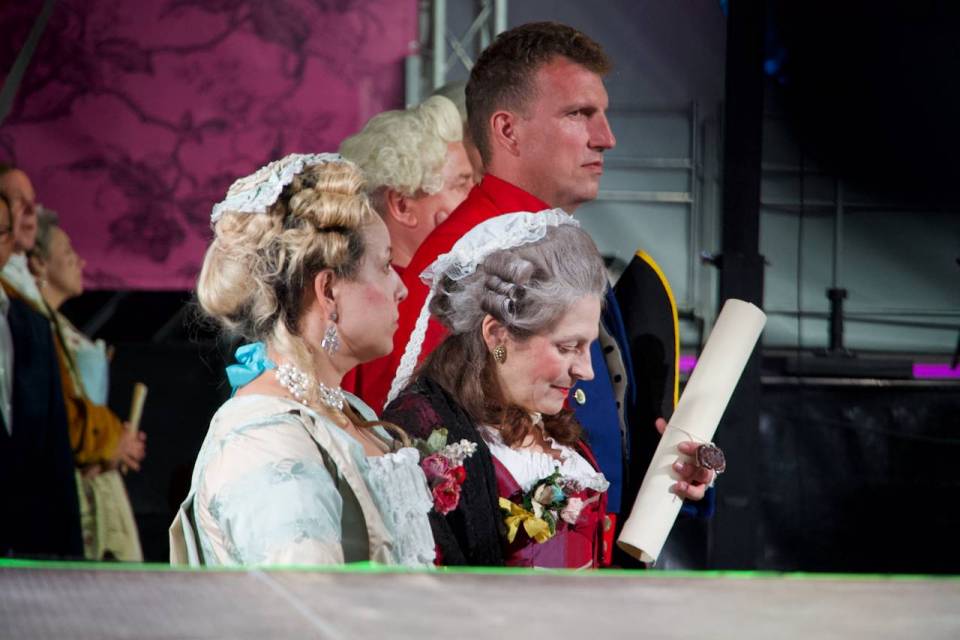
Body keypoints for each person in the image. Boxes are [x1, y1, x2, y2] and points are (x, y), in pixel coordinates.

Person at [348, 22, 716, 564]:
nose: (606, 137)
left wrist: (673, 480)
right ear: (508, 130)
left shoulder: (565, 249)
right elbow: (399, 454)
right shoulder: (457, 268)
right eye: (579, 114)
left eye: (602, 114)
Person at [169, 153, 435, 567]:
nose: (400, 288)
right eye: (385, 265)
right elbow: (302, 597)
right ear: (327, 291)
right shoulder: (264, 439)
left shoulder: (348, 410)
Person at [385, 211, 612, 568]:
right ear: (497, 336)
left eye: (589, 347)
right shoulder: (426, 433)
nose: (587, 370)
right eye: (568, 347)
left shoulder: (548, 420)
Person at [28, 208, 145, 561]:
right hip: (75, 487)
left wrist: (116, 439)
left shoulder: (58, 328)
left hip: (98, 480)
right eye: (66, 253)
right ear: (38, 263)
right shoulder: (33, 328)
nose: (79, 261)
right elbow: (59, 417)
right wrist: (112, 440)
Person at [0, 189, 83, 558]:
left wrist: (70, 560)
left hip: (29, 543)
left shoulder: (33, 327)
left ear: (9, 242)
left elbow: (56, 451)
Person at [338, 95, 475, 273]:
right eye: (461, 185)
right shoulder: (384, 290)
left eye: (474, 181)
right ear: (402, 206)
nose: (477, 193)